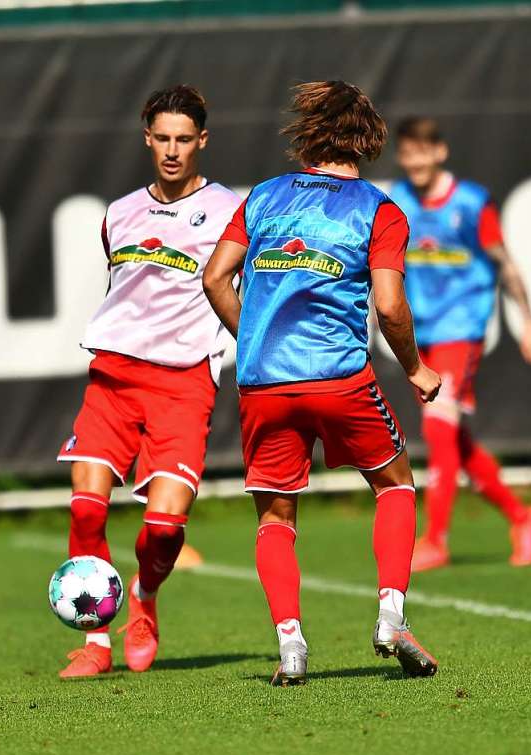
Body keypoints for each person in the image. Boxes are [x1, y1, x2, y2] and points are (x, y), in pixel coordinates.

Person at [203, 81, 441, 686]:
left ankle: (291, 647)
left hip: (264, 383)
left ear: (307, 134)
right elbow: (389, 305)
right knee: (395, 485)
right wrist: (414, 367)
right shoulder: (379, 211)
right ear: (369, 138)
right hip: (339, 379)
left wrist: (255, 335)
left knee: (275, 520)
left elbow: (214, 278)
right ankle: (391, 614)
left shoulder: (262, 197)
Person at [55, 85, 241, 678]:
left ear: (202, 141)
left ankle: (144, 597)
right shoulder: (118, 213)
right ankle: (95, 644)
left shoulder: (230, 212)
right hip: (112, 379)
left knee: (163, 528)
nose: (171, 150)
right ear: (147, 138)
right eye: (162, 138)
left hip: (185, 385)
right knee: (86, 509)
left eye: (183, 139)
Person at [390, 117, 531, 573]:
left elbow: (507, 266)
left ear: (440, 152)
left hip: (463, 332)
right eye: (407, 153)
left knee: (439, 431)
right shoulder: (397, 201)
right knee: (456, 440)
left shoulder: (472, 203)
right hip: (423, 339)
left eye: (423, 151)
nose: (415, 161)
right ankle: (523, 518)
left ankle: (435, 540)